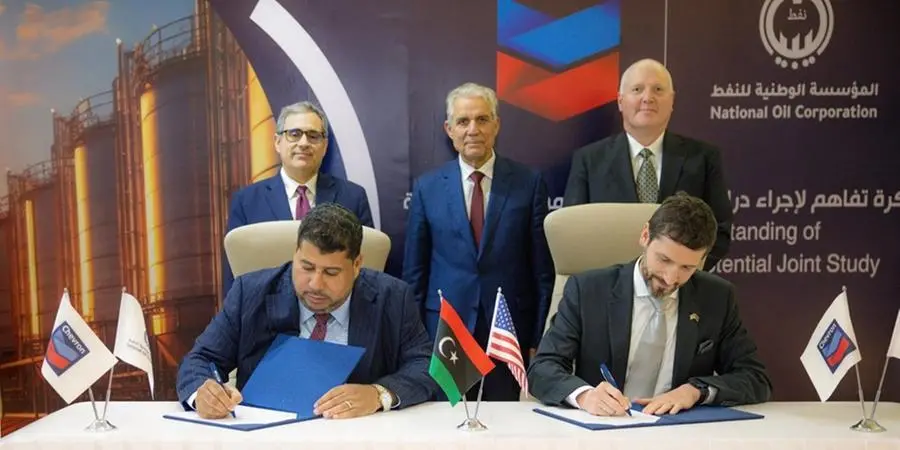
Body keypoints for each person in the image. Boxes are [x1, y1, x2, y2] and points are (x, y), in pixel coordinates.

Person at [178, 204, 436, 419]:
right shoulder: (250, 293)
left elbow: (425, 365)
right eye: (307, 267)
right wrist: (204, 393)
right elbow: (200, 360)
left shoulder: (392, 298)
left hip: (355, 441)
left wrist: (378, 394)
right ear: (295, 254)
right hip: (267, 442)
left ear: (357, 264)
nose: (315, 284)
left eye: (331, 272)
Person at [528, 193, 770, 415]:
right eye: (664, 259)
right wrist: (585, 396)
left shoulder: (717, 297)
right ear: (645, 236)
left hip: (678, 432)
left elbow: (755, 378)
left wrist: (696, 391)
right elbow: (542, 369)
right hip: (606, 427)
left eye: (687, 267)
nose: (671, 278)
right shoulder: (588, 291)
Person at [403, 82, 554, 401]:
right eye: (463, 121)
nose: (473, 130)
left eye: (482, 119)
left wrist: (537, 337)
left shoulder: (528, 182)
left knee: (504, 422)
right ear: (449, 130)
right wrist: (415, 341)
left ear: (496, 125)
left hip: (506, 331)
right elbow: (415, 273)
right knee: (448, 421)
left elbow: (542, 271)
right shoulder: (427, 187)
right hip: (446, 332)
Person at [563, 58, 732, 269]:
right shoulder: (589, 161)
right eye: (637, 89)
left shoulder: (703, 158)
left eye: (658, 90)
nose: (648, 98)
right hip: (609, 284)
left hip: (680, 284)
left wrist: (682, 271)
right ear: (620, 101)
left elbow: (720, 230)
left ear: (672, 101)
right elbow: (572, 233)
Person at [223, 101, 374, 294]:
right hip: (267, 309)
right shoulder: (247, 201)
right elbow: (234, 277)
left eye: (313, 136)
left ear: (325, 146)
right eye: (294, 134)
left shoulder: (352, 197)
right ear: (277, 142)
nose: (303, 143)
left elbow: (367, 271)